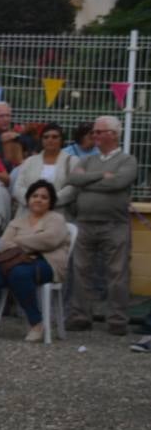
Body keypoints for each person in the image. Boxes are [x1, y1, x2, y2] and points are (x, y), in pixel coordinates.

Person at [66, 115, 136, 336]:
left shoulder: (128, 160)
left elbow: (119, 182)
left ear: (113, 134)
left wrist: (89, 181)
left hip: (115, 224)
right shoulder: (87, 160)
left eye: (98, 132)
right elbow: (73, 179)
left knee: (117, 273)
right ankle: (80, 316)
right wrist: (101, 176)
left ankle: (117, 320)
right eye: (94, 132)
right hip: (84, 222)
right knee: (80, 271)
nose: (93, 135)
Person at [0, 180, 71, 342]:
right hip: (16, 262)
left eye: (44, 197)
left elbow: (50, 240)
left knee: (19, 274)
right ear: (28, 199)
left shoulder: (56, 219)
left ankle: (36, 324)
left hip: (47, 263)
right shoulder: (18, 220)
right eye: (35, 196)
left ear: (51, 202)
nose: (38, 200)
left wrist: (19, 241)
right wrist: (33, 242)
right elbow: (4, 243)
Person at [9, 123, 77, 221]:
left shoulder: (72, 161)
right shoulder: (29, 161)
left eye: (55, 137)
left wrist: (48, 202)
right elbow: (18, 187)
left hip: (58, 215)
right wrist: (34, 202)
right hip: (27, 215)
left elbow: (72, 189)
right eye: (46, 137)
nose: (50, 140)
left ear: (61, 140)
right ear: (41, 140)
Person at [0, 101, 35, 171]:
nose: (6, 119)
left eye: (8, 115)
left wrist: (17, 138)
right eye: (1, 116)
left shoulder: (16, 135)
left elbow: (31, 150)